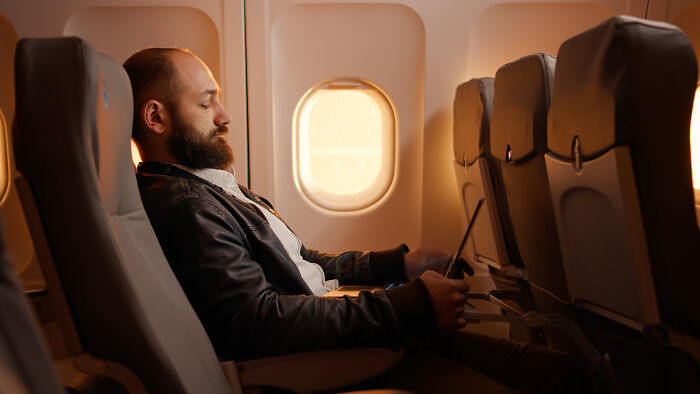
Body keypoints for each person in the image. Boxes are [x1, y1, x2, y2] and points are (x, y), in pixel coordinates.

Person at [124, 47, 593, 393]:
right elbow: (257, 320)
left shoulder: (209, 187)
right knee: (557, 376)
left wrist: (397, 267)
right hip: (321, 354)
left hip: (340, 327)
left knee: (544, 369)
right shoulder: (187, 205)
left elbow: (303, 262)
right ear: (155, 117)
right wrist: (405, 307)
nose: (224, 116)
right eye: (206, 103)